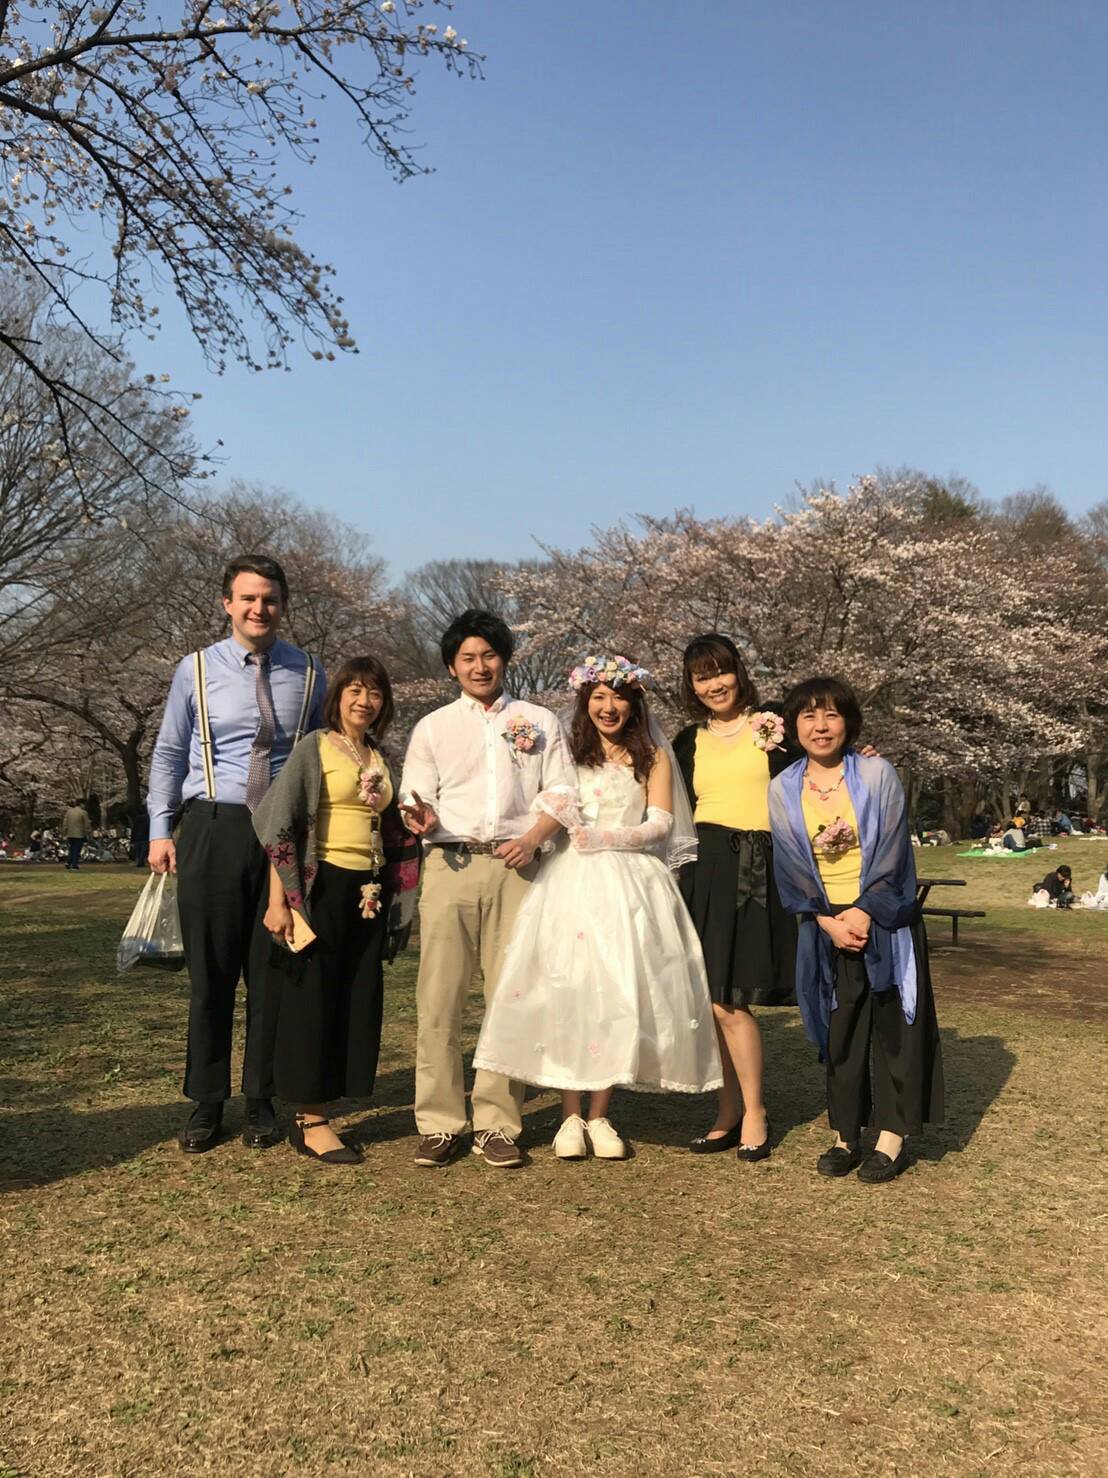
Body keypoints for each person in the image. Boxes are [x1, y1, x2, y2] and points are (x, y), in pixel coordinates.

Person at [474, 656, 722, 1159]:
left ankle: (600, 1113)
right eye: (599, 697)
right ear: (585, 701)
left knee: (617, 990)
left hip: (630, 885)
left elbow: (660, 824)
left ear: (634, 703)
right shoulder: (566, 750)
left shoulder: (653, 755)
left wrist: (607, 837)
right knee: (569, 988)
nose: (609, 707)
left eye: (619, 697)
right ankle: (569, 1114)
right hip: (569, 882)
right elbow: (547, 802)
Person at [147, 554, 325, 1154]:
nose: (259, 609)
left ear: (283, 605)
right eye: (248, 598)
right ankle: (206, 1100)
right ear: (227, 603)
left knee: (273, 971)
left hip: (281, 832)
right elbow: (170, 752)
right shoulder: (195, 669)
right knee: (212, 973)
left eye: (269, 599)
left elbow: (320, 755)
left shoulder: (309, 672)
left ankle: (261, 1098)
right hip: (212, 825)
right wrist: (161, 828)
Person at [399, 609, 576, 1169]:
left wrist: (535, 838)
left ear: (505, 660)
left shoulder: (538, 720)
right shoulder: (432, 727)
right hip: (449, 865)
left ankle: (498, 1123)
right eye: (468, 658)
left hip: (517, 868)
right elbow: (414, 796)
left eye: (489, 655)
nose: (480, 666)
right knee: (439, 998)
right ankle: (440, 1122)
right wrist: (419, 817)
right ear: (452, 667)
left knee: (510, 998)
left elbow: (563, 793)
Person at [768, 677, 943, 1184]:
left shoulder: (875, 772)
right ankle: (846, 1133)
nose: (820, 726)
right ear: (793, 726)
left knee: (893, 1028)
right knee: (840, 1029)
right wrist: (826, 920)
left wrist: (865, 911)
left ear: (849, 722)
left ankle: (891, 1136)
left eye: (831, 714)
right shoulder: (782, 788)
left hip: (883, 917)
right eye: (808, 716)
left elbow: (893, 849)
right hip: (826, 922)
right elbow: (789, 864)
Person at [252, 656, 420, 1164]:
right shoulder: (315, 747)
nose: (365, 701)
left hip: (369, 890)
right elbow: (282, 824)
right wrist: (280, 901)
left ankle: (331, 1098)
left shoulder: (378, 756)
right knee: (313, 997)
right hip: (319, 884)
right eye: (355, 690)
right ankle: (310, 1119)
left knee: (355, 994)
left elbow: (393, 823)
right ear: (338, 696)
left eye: (375, 693)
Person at [672, 633, 798, 1162]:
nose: (714, 684)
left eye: (721, 671)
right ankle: (728, 1111)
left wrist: (861, 758)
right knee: (712, 1001)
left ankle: (754, 1111)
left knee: (729, 998)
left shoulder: (773, 725)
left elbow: (820, 769)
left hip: (760, 867)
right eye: (702, 676)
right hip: (705, 870)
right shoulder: (686, 742)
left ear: (738, 672)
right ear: (691, 684)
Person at [62, 799, 91, 870]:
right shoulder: (83, 812)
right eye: (84, 804)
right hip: (79, 834)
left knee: (72, 848)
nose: (85, 806)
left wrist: (64, 833)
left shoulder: (69, 812)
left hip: (70, 833)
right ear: (81, 804)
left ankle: (68, 862)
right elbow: (86, 824)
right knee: (77, 850)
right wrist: (88, 832)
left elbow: (65, 824)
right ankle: (74, 865)